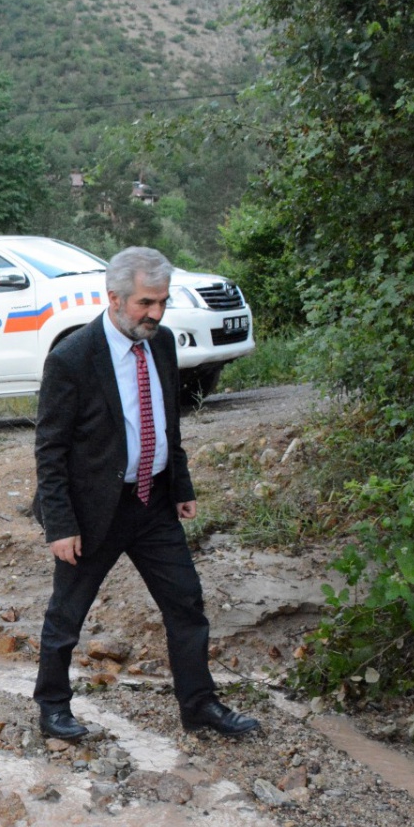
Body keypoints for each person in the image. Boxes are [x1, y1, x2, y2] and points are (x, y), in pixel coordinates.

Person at [31, 246, 259, 739]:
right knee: (67, 614)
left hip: (153, 503)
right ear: (112, 298)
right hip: (93, 512)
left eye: (162, 301)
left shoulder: (162, 344)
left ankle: (199, 706)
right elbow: (50, 450)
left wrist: (181, 484)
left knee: (186, 603)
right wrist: (60, 524)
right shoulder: (72, 359)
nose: (155, 314)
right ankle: (52, 707)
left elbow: (166, 422)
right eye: (145, 304)